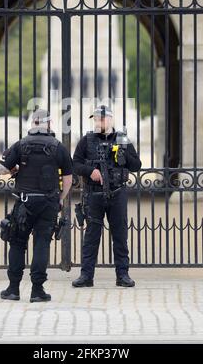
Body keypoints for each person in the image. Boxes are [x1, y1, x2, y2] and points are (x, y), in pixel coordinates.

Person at [0, 109, 73, 302]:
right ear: (49, 124)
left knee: (17, 243)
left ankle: (13, 289)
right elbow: (68, 179)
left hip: (24, 202)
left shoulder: (20, 145)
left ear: (32, 124)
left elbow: (1, 170)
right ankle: (37, 290)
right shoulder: (58, 147)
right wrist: (60, 198)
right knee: (41, 244)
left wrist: (14, 169)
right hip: (48, 202)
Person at [72, 105, 142, 288]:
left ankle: (123, 275)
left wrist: (123, 154)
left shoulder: (123, 139)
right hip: (93, 194)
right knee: (91, 236)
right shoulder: (86, 141)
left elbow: (136, 165)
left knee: (120, 235)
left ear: (110, 120)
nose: (98, 122)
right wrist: (91, 171)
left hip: (117, 193)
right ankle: (86, 276)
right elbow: (75, 164)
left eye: (101, 119)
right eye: (95, 119)